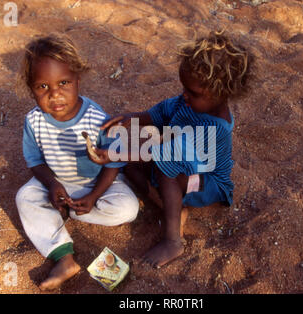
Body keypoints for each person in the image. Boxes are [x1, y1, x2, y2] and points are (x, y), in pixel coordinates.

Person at [89, 30, 249, 268]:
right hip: (174, 158)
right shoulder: (190, 102)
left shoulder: (215, 128)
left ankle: (173, 240)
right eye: (184, 88)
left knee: (166, 170)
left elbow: (169, 154)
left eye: (193, 93)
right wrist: (131, 117)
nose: (184, 95)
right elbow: (160, 114)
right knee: (130, 165)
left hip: (206, 181)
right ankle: (172, 208)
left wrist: (117, 154)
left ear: (221, 93)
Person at [15, 33, 139, 290]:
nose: (55, 95)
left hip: (98, 183)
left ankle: (68, 211)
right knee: (24, 198)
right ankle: (63, 257)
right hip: (58, 183)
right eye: (43, 87)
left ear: (77, 80)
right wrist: (50, 185)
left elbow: (114, 162)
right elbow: (35, 161)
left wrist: (94, 196)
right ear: (31, 89)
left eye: (63, 83)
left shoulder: (96, 118)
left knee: (128, 209)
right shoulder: (34, 120)